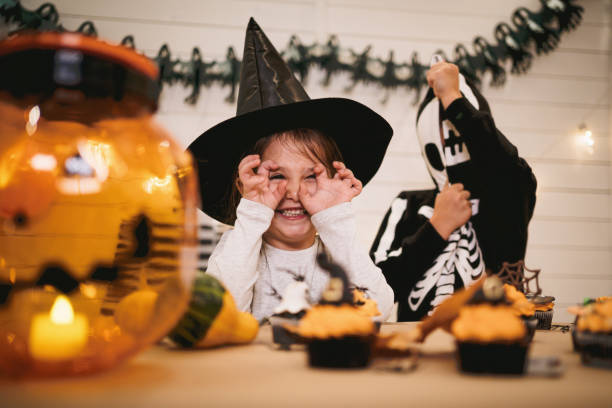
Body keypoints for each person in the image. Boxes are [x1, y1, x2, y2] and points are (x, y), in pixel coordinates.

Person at [188, 18, 394, 322]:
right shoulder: (237, 249)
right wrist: (253, 214)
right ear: (244, 187)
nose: (294, 192)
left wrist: (336, 219)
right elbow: (219, 315)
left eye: (311, 176)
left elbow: (377, 311)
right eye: (276, 176)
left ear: (335, 179)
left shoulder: (338, 251)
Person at [370, 59, 537, 322]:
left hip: (490, 338)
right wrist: (437, 227)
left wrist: (452, 100)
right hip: (417, 341)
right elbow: (375, 289)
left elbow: (507, 166)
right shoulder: (407, 205)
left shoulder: (508, 196)